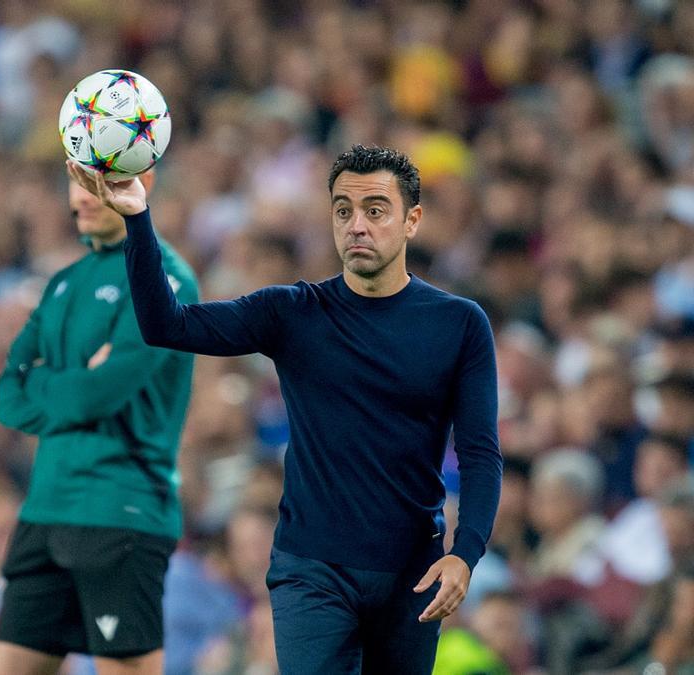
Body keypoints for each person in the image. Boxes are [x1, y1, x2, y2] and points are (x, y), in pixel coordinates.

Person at [69, 144, 503, 674]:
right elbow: (167, 325)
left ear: (412, 220)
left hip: (411, 573)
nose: (357, 225)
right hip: (311, 568)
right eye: (343, 210)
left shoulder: (458, 323)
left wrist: (466, 551)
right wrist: (137, 219)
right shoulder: (293, 311)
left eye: (375, 210)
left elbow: (480, 453)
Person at [0, 170, 199, 675]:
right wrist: (75, 382)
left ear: (139, 181)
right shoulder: (64, 281)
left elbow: (98, 396)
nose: (81, 196)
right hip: (44, 509)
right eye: (74, 180)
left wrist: (50, 382)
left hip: (120, 510)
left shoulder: (167, 278)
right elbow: (7, 396)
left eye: (97, 183)